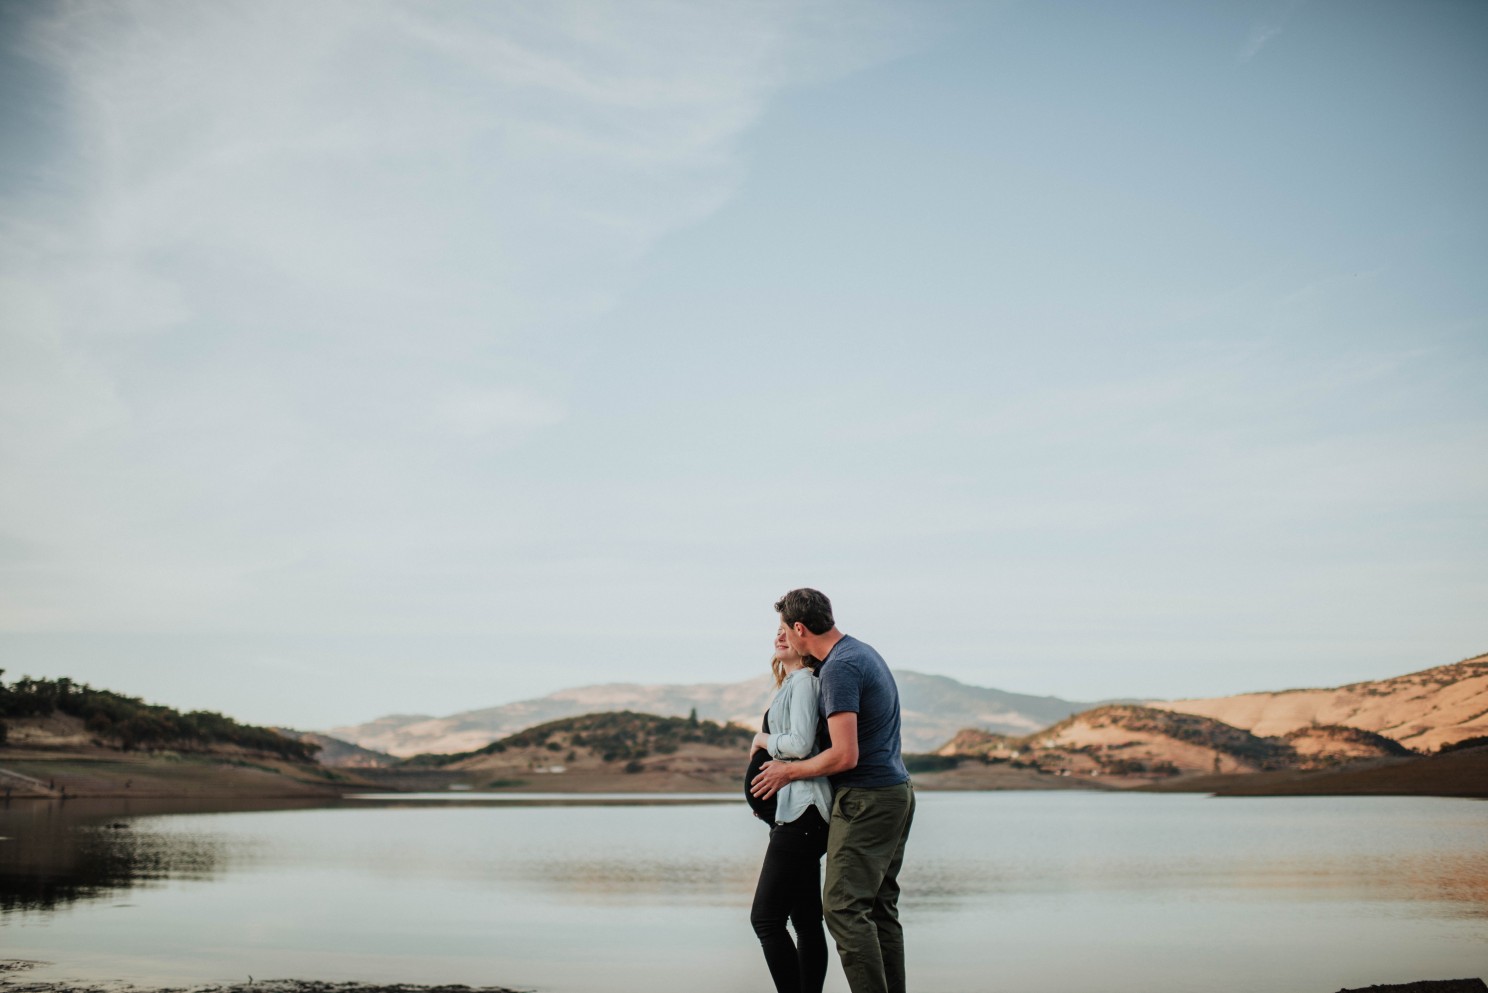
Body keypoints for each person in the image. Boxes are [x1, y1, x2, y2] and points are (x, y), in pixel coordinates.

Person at [751, 588, 914, 993]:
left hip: (867, 798)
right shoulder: (859, 652)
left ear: (800, 628)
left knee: (842, 909)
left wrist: (787, 773)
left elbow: (844, 756)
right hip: (890, 792)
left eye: (786, 629)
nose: (783, 636)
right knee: (878, 909)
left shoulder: (839, 668)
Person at [749, 621, 834, 993]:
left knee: (766, 919)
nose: (779, 636)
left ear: (804, 640)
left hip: (802, 816)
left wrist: (761, 738)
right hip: (795, 813)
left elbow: (799, 745)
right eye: (777, 631)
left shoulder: (803, 683)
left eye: (787, 630)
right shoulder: (791, 685)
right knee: (805, 921)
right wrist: (766, 800)